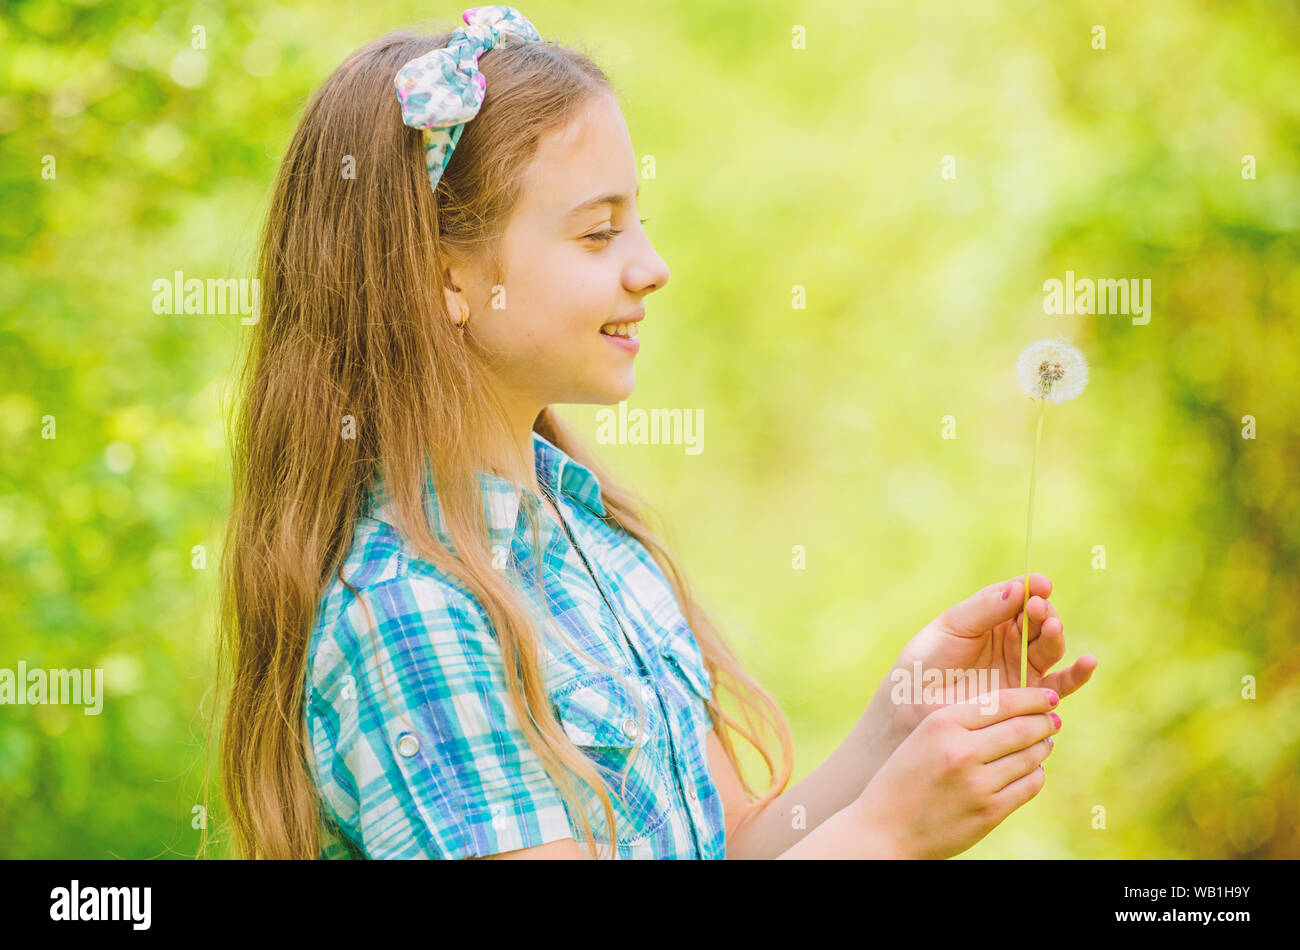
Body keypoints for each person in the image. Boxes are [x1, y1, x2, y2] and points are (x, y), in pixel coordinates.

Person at [210, 5, 1098, 860]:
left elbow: (734, 848)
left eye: (638, 219)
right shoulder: (413, 613)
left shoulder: (588, 537)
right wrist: (890, 836)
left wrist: (896, 731)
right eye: (598, 233)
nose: (652, 266)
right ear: (448, 276)